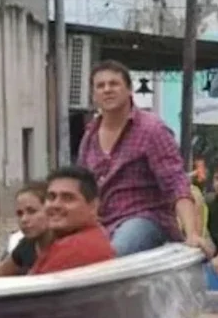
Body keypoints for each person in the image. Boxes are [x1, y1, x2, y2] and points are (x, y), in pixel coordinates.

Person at [77, 59, 210, 257]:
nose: (107, 90)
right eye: (100, 86)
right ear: (93, 95)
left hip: (145, 219)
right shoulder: (90, 135)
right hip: (101, 223)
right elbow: (81, 186)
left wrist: (192, 234)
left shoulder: (152, 129)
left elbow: (176, 182)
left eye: (114, 84)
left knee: (115, 253)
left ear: (129, 90)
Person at [29, 166, 116, 275]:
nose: (55, 205)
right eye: (51, 197)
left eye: (68, 198)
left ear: (93, 206)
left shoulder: (77, 248)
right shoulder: (91, 238)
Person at [0, 182, 52, 277]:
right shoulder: (27, 245)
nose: (24, 219)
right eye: (20, 214)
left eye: (32, 211)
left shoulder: (66, 246)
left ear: (51, 211)